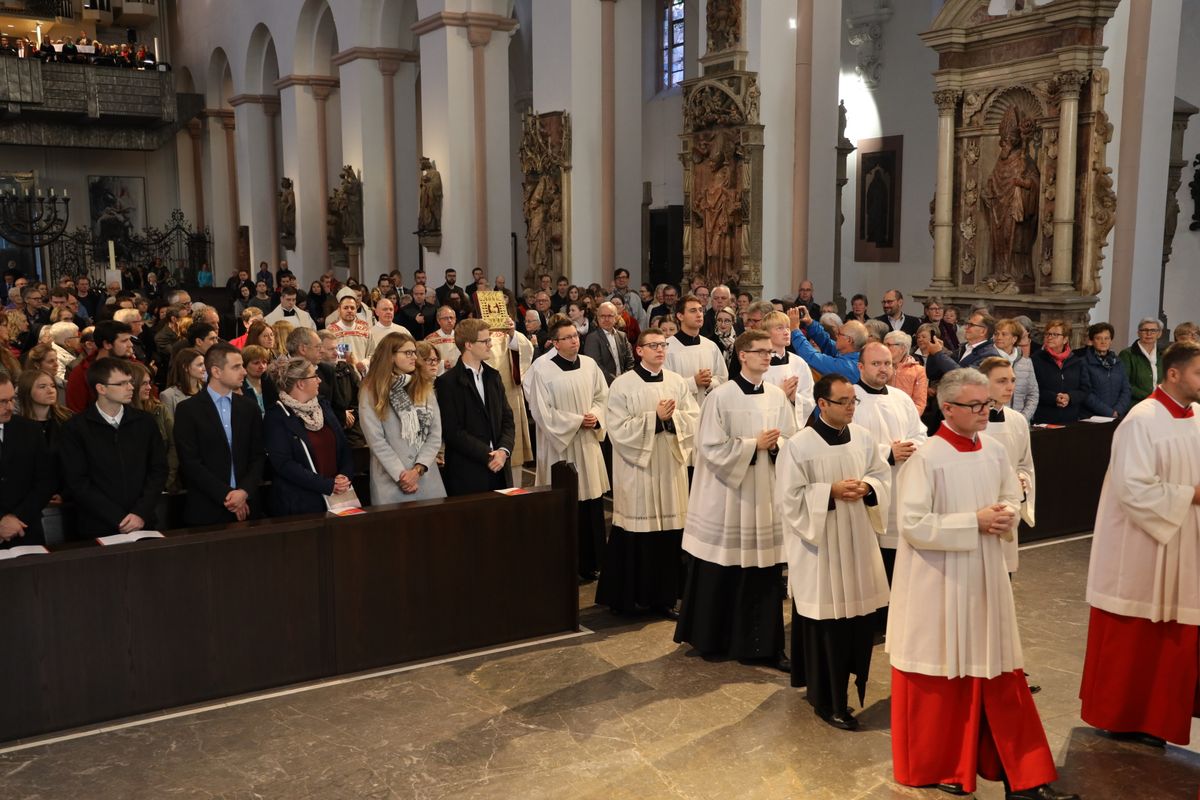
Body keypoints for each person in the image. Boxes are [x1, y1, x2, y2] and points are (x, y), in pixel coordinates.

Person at [887, 368, 1075, 800]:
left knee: (998, 669)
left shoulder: (993, 449)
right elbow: (913, 524)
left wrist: (1007, 514)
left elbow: (1010, 495)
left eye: (987, 403)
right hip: (940, 580)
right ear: (947, 408)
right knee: (946, 671)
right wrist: (973, 522)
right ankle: (947, 764)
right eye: (974, 405)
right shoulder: (926, 458)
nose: (984, 411)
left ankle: (1021, 776)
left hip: (986, 574)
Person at [1080, 340, 1200, 749]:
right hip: (1143, 544)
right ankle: (1124, 716)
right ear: (1173, 374)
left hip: (1185, 540)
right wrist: (1191, 495)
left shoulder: (1197, 416)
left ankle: (1162, 716)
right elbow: (1133, 487)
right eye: (1198, 372)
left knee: (1175, 635)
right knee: (1137, 636)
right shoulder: (1141, 420)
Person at [674, 330, 797, 672]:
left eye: (770, 351)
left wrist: (776, 445)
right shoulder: (720, 396)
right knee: (724, 566)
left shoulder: (776, 396)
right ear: (742, 355)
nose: (768, 356)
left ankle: (766, 646)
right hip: (729, 496)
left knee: (764, 571)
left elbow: (792, 439)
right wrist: (753, 445)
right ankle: (716, 640)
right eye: (761, 351)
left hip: (764, 494)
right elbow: (709, 447)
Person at [777, 373, 891, 730]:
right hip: (821, 547)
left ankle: (850, 686)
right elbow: (788, 499)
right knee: (828, 625)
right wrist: (829, 492)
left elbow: (881, 475)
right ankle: (827, 700)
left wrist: (868, 487)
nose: (851, 407)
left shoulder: (864, 437)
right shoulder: (799, 446)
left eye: (854, 400)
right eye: (844, 402)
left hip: (857, 541)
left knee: (857, 623)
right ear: (822, 404)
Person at [596, 328, 700, 617]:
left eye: (663, 345)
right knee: (637, 533)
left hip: (670, 467)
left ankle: (665, 599)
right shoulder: (622, 385)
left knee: (670, 535)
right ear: (639, 350)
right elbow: (616, 428)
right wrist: (655, 418)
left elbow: (694, 418)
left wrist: (672, 419)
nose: (660, 349)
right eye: (653, 345)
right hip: (638, 470)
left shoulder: (677, 382)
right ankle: (629, 599)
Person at [525, 318, 610, 581]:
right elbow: (541, 411)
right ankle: (566, 564)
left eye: (576, 336)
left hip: (588, 442)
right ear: (555, 343)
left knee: (592, 503)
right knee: (567, 503)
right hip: (560, 447)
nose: (575, 340)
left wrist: (596, 416)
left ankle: (595, 562)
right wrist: (576, 422)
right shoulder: (542, 369)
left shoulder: (590, 365)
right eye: (568, 337)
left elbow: (603, 397)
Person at [59, 358, 168, 537]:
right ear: (101, 389)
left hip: (143, 522)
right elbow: (78, 482)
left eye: (130, 382)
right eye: (122, 383)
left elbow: (158, 470)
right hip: (97, 526)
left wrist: (140, 513)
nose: (131, 387)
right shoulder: (75, 428)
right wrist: (118, 518)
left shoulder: (145, 422)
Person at [853, 341, 927, 593]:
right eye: (876, 363)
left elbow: (920, 433)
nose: (883, 369)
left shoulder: (901, 398)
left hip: (900, 488)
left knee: (897, 561)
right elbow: (848, 444)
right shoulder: (851, 399)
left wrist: (910, 446)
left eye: (887, 363)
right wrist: (887, 453)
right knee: (871, 563)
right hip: (868, 490)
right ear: (860, 366)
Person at [172, 344, 265, 526]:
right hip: (206, 509)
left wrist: (243, 492)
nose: (244, 372)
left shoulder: (249, 408)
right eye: (236, 367)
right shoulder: (188, 410)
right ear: (216, 371)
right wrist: (227, 496)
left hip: (248, 506)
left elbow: (258, 456)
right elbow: (190, 462)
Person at [358, 332, 447, 504]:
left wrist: (418, 469)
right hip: (392, 479)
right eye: (408, 353)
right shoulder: (370, 390)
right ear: (390, 356)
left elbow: (435, 434)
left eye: (414, 352)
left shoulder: (423, 386)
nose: (414, 357)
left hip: (426, 477)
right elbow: (376, 440)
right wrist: (402, 475)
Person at [263, 357, 356, 516]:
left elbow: (343, 446)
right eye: (314, 376)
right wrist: (327, 485)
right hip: (301, 504)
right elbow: (284, 464)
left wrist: (345, 475)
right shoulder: (277, 416)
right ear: (301, 383)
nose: (319, 380)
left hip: (338, 498)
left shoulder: (323, 406)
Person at [435, 319, 516, 496]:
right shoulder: (447, 382)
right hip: (468, 471)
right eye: (485, 341)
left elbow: (507, 419)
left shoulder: (493, 376)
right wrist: (488, 454)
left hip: (500, 467)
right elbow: (452, 431)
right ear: (469, 345)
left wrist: (503, 451)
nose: (490, 345)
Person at [979, 357, 1036, 574]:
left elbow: (1025, 464)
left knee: (1004, 575)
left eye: (1012, 380)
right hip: (978, 509)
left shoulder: (1017, 421)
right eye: (1002, 381)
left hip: (1007, 508)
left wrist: (1022, 480)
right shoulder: (970, 421)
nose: (1010, 387)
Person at [0, 369, 57, 549]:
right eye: (2, 402)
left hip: (26, 529)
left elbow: (46, 480)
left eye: (12, 399)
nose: (10, 407)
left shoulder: (30, 430)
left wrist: (16, 518)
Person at [665, 295, 728, 409]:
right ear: (680, 316)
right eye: (693, 311)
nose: (699, 314)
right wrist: (693, 382)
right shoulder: (667, 348)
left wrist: (710, 382)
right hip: (681, 411)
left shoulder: (710, 346)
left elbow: (723, 378)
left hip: (707, 409)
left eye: (700, 310)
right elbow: (665, 385)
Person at [65, 320, 133, 413]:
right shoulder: (81, 373)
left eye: (130, 339)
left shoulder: (135, 366)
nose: (130, 345)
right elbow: (76, 411)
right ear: (107, 344)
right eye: (124, 341)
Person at [761, 310, 815, 426]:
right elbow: (753, 401)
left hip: (792, 426)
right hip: (766, 426)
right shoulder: (758, 363)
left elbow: (810, 398)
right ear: (766, 333)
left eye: (788, 327)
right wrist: (780, 393)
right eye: (780, 328)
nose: (786, 332)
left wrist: (794, 398)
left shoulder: (799, 363)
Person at [1031, 319, 1090, 424]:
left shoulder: (1077, 361)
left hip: (1070, 418)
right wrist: (1054, 398)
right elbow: (1033, 389)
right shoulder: (1036, 359)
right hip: (1044, 418)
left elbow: (1085, 389)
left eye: (1055, 334)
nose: (1050, 337)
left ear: (1065, 339)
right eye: (1048, 334)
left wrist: (1069, 397)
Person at [787, 306, 864, 382]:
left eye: (840, 334)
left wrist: (795, 330)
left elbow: (812, 357)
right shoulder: (851, 354)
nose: (836, 336)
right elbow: (826, 342)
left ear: (849, 340)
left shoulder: (849, 367)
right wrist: (810, 322)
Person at [1081, 322, 1132, 420]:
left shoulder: (1118, 362)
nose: (1103, 342)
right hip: (1092, 418)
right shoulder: (1083, 363)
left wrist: (1118, 410)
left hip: (1117, 416)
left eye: (1107, 338)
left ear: (1111, 340)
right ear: (1091, 341)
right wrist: (1109, 412)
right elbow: (1086, 393)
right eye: (1098, 338)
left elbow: (1126, 389)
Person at [992, 318, 1039, 421]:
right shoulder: (988, 360)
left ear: (1014, 339)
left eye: (1004, 334)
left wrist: (1023, 418)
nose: (999, 337)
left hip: (1019, 421)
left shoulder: (1026, 362)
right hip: (994, 421)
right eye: (996, 334)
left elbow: (1033, 394)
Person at [16, 368, 71, 449]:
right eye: (42, 387)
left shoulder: (67, 419)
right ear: (27, 390)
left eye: (53, 386)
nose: (51, 391)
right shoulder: (16, 426)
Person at [582, 302, 635, 385]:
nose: (606, 319)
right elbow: (596, 366)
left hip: (625, 384)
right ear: (598, 318)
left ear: (616, 318)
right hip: (604, 385)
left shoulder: (622, 336)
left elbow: (630, 361)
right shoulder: (592, 338)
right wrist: (616, 382)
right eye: (602, 316)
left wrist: (624, 379)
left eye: (610, 316)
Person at [1118, 317, 1164, 403]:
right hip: (1136, 404)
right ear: (1138, 333)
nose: (1149, 333)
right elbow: (1124, 383)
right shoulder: (1127, 354)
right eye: (1144, 330)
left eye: (1153, 330)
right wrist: (1149, 396)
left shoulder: (1163, 354)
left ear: (1159, 334)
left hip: (1159, 403)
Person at [884, 331, 927, 415]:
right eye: (884, 344)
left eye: (889, 345)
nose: (885, 348)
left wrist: (905, 419)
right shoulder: (880, 367)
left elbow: (919, 404)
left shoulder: (918, 371)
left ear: (902, 348)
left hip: (905, 417)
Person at [160, 347, 205, 418]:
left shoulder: (207, 390)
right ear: (185, 367)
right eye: (200, 365)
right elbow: (170, 424)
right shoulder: (168, 395)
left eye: (204, 364)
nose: (204, 368)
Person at [425, 306, 460, 373]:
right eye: (445, 318)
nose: (449, 321)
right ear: (438, 321)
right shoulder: (430, 340)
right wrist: (442, 364)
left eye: (451, 318)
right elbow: (425, 360)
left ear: (455, 320)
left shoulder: (461, 337)